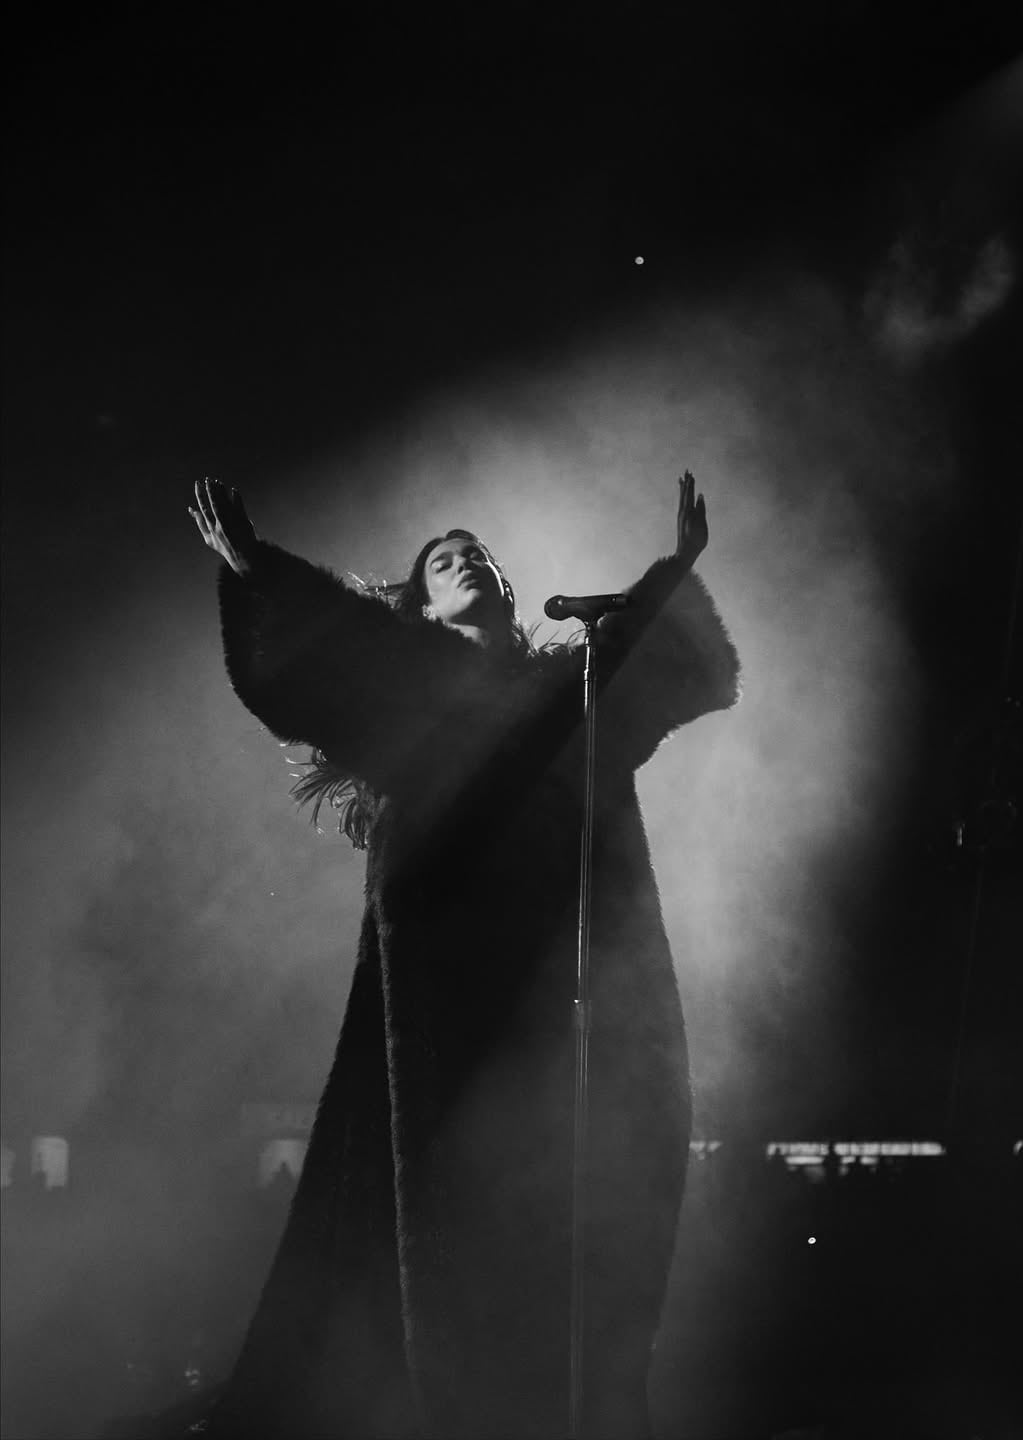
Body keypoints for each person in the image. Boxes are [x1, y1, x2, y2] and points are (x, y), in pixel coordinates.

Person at [188, 472, 740, 1440]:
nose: (464, 558)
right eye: (442, 560)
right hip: (443, 957)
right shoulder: (400, 677)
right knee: (441, 1175)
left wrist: (677, 568)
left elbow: (654, 673)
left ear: (508, 591)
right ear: (423, 600)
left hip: (562, 952)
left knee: (573, 1164)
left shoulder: (564, 682)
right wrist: (254, 568)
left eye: (476, 553)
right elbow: (308, 669)